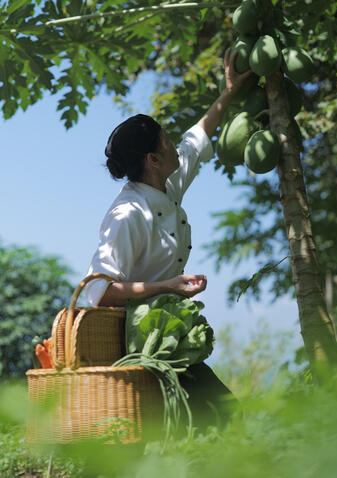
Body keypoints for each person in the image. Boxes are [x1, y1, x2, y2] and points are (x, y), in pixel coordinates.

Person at [85, 48, 252, 431]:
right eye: (166, 141)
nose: (174, 144)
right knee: (221, 418)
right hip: (139, 346)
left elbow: (198, 137)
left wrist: (228, 91)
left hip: (169, 334)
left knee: (209, 423)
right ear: (152, 160)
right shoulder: (127, 214)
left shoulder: (166, 185)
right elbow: (100, 291)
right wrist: (168, 286)